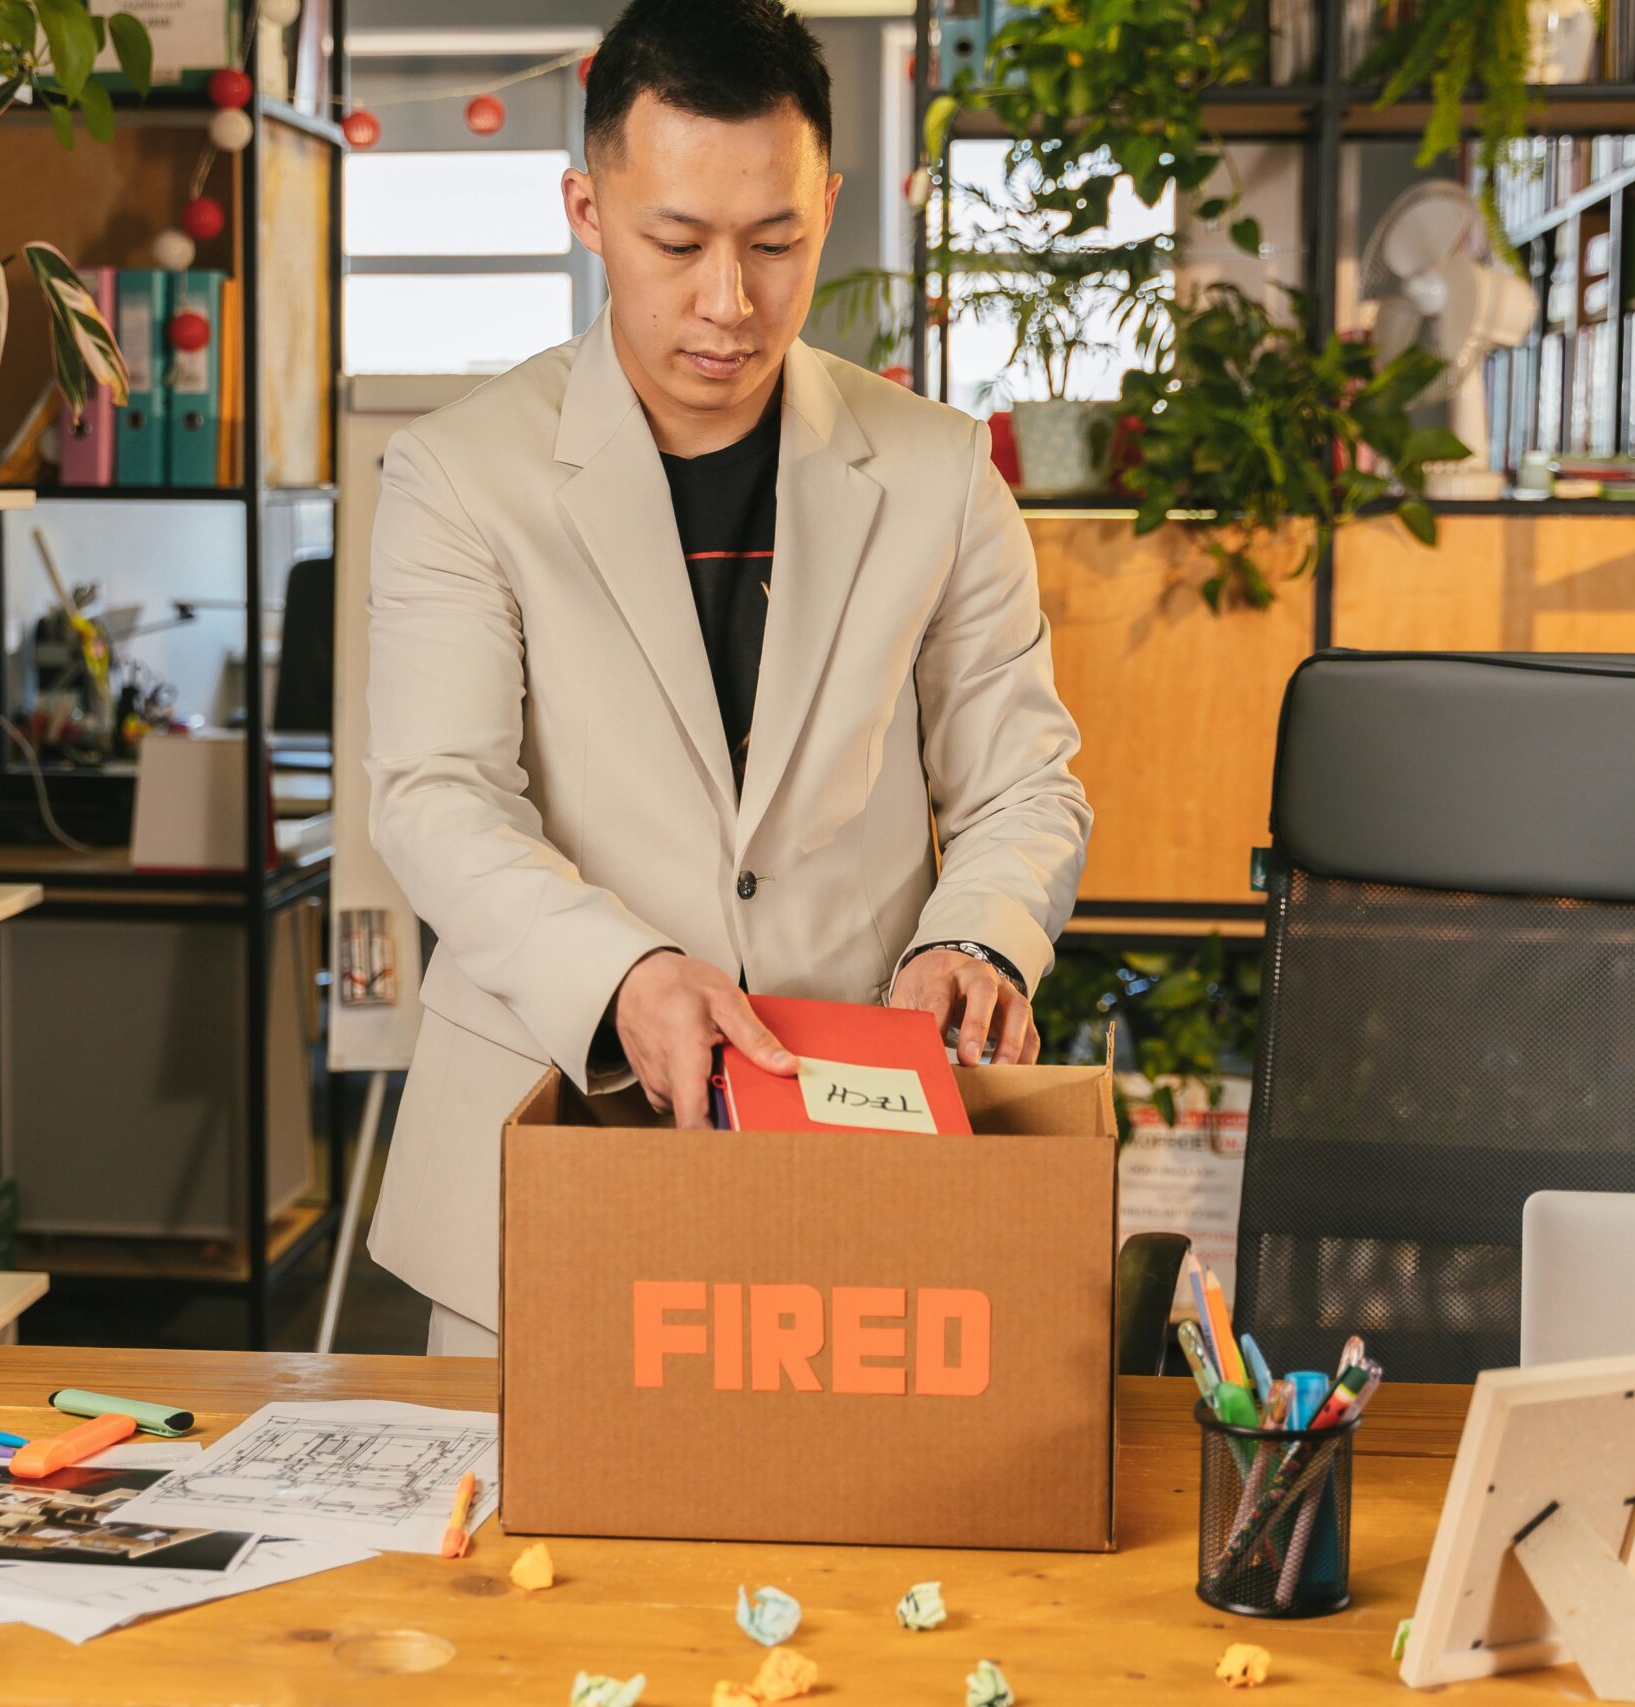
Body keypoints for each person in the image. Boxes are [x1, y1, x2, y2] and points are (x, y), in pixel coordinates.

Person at [361, 0, 1092, 1356]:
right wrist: (627, 972)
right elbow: (436, 796)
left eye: (774, 242)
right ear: (588, 211)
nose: (729, 302)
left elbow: (1021, 783)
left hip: (853, 1137)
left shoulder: (938, 472)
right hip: (550, 1127)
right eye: (678, 242)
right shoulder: (461, 474)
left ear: (829, 208)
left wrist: (977, 939)